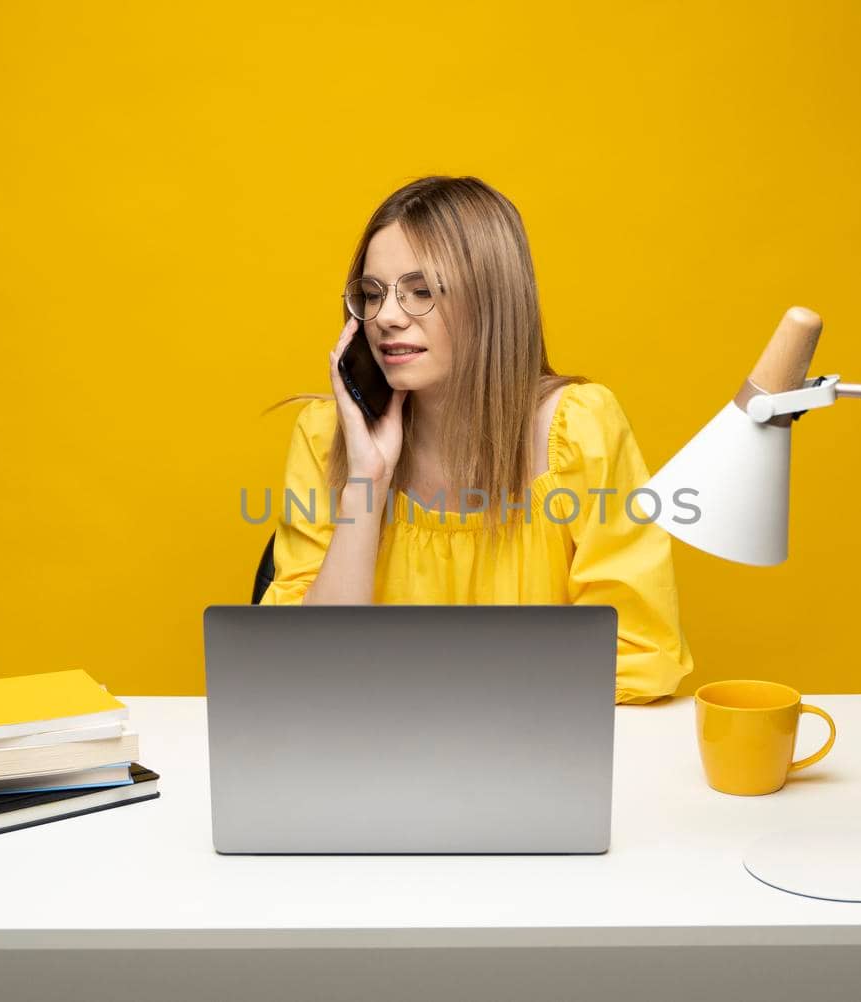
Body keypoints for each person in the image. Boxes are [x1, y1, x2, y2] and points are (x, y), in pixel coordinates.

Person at [257, 176, 693, 704]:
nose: (388, 318)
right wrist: (366, 484)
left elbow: (641, 652)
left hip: (530, 745)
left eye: (422, 291)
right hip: (373, 750)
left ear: (492, 302)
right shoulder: (327, 436)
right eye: (372, 295)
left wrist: (447, 697)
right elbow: (301, 666)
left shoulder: (578, 427)